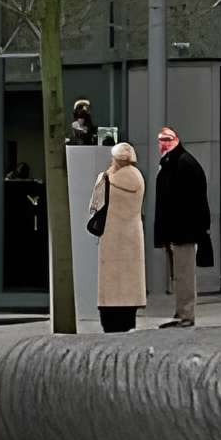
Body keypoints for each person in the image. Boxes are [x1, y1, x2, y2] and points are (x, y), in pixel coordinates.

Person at [150, 123, 216, 328]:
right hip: (179, 229)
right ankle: (181, 313)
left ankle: (185, 314)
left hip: (182, 229)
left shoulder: (181, 164)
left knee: (183, 273)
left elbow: (186, 200)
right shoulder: (177, 162)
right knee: (180, 273)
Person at [88, 138, 149, 334]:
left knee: (111, 282)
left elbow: (94, 206)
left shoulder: (106, 179)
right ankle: (128, 319)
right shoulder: (139, 178)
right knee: (129, 282)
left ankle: (110, 320)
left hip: (112, 235)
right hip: (132, 235)